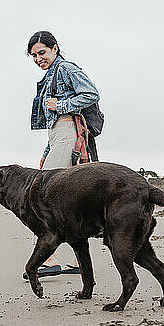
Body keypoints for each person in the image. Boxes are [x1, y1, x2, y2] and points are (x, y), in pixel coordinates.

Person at [22, 30, 100, 279]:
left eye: (42, 52)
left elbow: (91, 93)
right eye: (34, 55)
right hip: (57, 135)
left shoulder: (65, 68)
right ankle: (79, 263)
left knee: (42, 196)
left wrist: (62, 105)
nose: (38, 58)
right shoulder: (49, 77)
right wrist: (48, 150)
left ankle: (51, 260)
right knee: (67, 201)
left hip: (67, 132)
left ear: (55, 48)